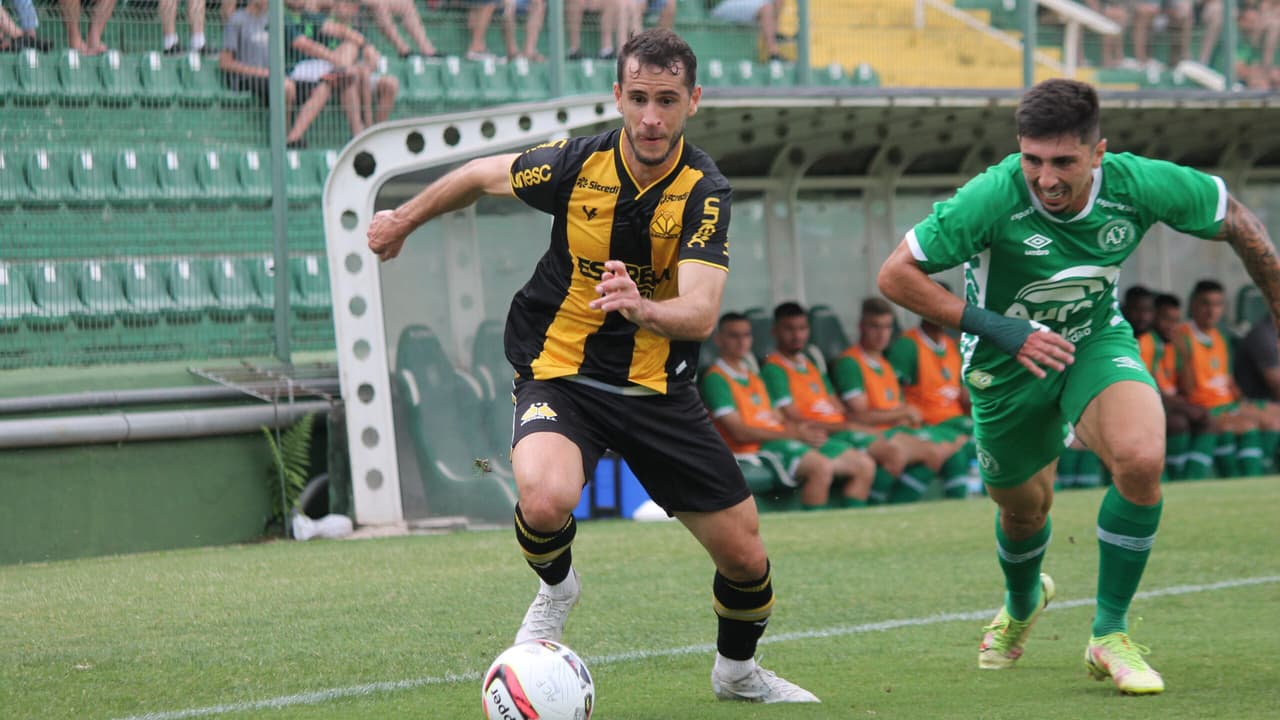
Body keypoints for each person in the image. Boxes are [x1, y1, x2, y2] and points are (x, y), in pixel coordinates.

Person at [367, 28, 819, 704]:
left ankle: (737, 673)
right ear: (617, 96)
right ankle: (557, 587)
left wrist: (643, 308)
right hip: (561, 372)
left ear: (693, 100)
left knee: (748, 561)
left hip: (658, 391)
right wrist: (402, 219)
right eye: (638, 98)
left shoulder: (704, 191)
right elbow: (476, 175)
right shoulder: (575, 164)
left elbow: (699, 312)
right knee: (544, 500)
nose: (651, 118)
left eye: (667, 100)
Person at [877, 78, 1280, 695]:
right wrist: (1002, 329)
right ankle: (1022, 601)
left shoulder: (1136, 183)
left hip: (1093, 340)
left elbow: (1237, 219)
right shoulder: (990, 195)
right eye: (1032, 160)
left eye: (1064, 161)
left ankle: (1108, 634)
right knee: (1022, 510)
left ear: (1098, 152)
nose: (1046, 178)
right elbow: (894, 276)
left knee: (1141, 458)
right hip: (1003, 362)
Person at [761, 301, 956, 504]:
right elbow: (795, 418)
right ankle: (878, 510)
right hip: (824, 434)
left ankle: (892, 509)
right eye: (790, 329)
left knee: (933, 452)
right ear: (775, 331)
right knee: (891, 456)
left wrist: (855, 424)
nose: (797, 335)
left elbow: (837, 406)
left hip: (843, 429)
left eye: (802, 328)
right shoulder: (774, 369)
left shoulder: (810, 365)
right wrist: (851, 425)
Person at [702, 312, 876, 510]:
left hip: (780, 440)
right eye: (734, 335)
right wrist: (793, 434)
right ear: (719, 339)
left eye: (746, 335)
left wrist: (803, 432)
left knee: (864, 465)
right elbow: (740, 433)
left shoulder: (752, 375)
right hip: (754, 449)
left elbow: (777, 418)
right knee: (821, 467)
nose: (742, 341)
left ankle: (853, 524)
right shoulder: (716, 379)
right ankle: (813, 531)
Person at [830, 297, 972, 502]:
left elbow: (895, 405)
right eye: (874, 326)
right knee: (932, 451)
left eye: (886, 327)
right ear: (861, 327)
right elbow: (859, 416)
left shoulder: (884, 363)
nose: (881, 334)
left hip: (898, 429)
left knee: (949, 449)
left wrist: (905, 416)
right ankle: (876, 507)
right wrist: (903, 412)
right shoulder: (850, 363)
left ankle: (906, 509)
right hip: (875, 432)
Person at [1171, 279, 1278, 477]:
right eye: (1206, 303)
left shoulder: (1220, 337)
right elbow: (1186, 388)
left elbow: (1226, 379)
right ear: (1193, 304)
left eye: (1218, 304)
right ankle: (1255, 478)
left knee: (1276, 416)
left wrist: (1244, 401)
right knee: (1247, 425)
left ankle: (1267, 471)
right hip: (1204, 406)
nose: (1212, 310)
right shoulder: (1181, 335)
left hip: (1228, 402)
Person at [885, 287, 979, 498]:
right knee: (957, 449)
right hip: (926, 423)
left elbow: (964, 393)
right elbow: (892, 392)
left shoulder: (953, 346)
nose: (943, 311)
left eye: (946, 304)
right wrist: (905, 417)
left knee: (990, 436)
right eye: (937, 304)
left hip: (954, 421)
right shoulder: (907, 345)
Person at [1121, 284, 1209, 480]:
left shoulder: (1156, 342)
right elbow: (1149, 391)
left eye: (1148, 311)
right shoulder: (1130, 339)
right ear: (1125, 309)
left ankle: (1191, 480)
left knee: (1201, 419)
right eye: (1138, 310)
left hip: (1145, 404)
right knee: (1177, 421)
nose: (1143, 317)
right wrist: (1183, 406)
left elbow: (1180, 388)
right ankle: (1172, 477)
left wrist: (1185, 353)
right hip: (1124, 407)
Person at [221, 0, 331, 147]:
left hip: (274, 78)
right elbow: (225, 62)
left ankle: (293, 137)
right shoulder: (237, 19)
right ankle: (280, 139)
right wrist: (260, 72)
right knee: (286, 86)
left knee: (324, 87)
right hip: (247, 78)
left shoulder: (274, 21)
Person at [710, 0, 783, 62]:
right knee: (766, 8)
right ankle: (773, 53)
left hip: (751, 5)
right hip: (728, 4)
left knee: (775, 3)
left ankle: (772, 38)